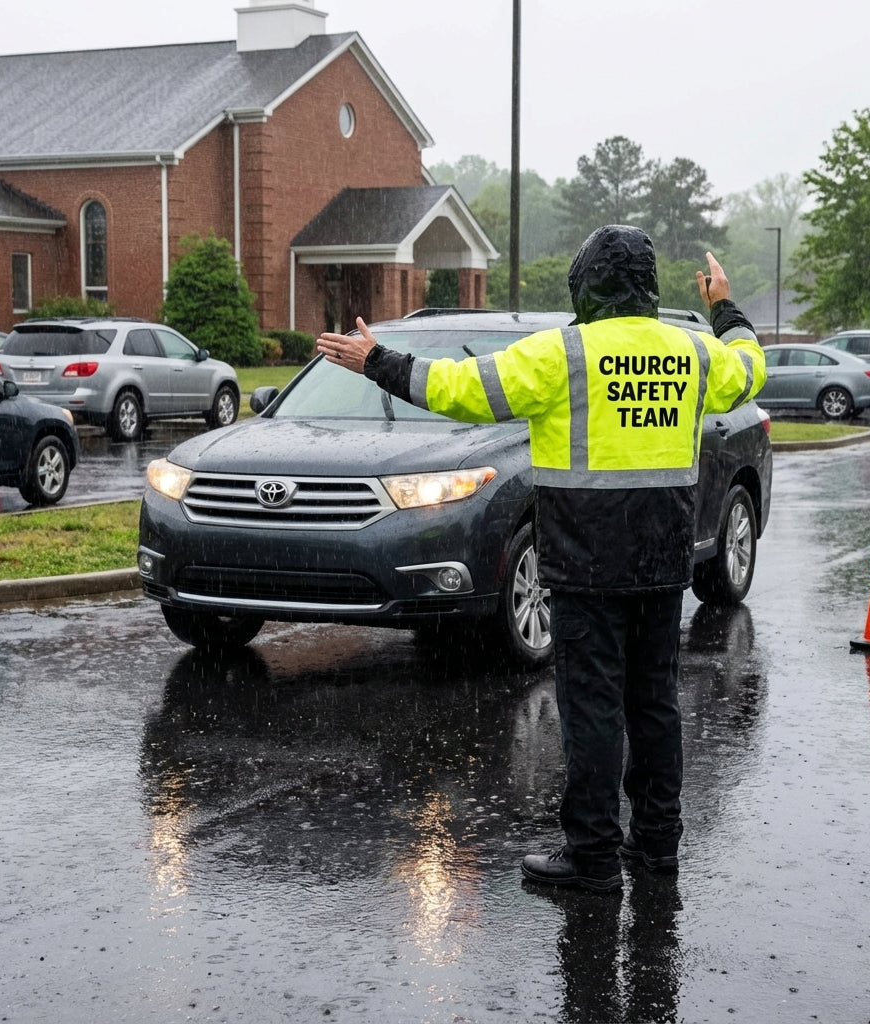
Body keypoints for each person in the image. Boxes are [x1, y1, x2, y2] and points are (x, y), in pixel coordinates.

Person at [317, 225, 766, 893]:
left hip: (586, 560)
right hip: (662, 558)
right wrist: (723, 306)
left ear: (586, 284)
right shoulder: (692, 351)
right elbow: (750, 367)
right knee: (654, 705)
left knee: (592, 709)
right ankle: (656, 848)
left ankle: (592, 856)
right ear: (646, 286)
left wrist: (377, 360)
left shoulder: (562, 353)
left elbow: (458, 388)